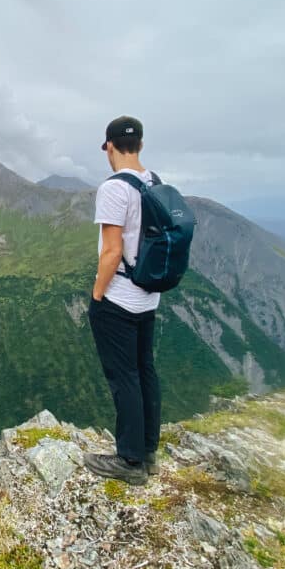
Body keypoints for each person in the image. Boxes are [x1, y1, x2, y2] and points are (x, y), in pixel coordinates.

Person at [84, 115, 160, 486]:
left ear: (109, 147)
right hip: (149, 298)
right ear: (141, 145)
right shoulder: (156, 183)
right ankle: (148, 450)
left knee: (124, 377)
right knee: (145, 370)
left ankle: (129, 461)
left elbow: (112, 251)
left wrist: (98, 295)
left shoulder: (114, 188)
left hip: (120, 300)